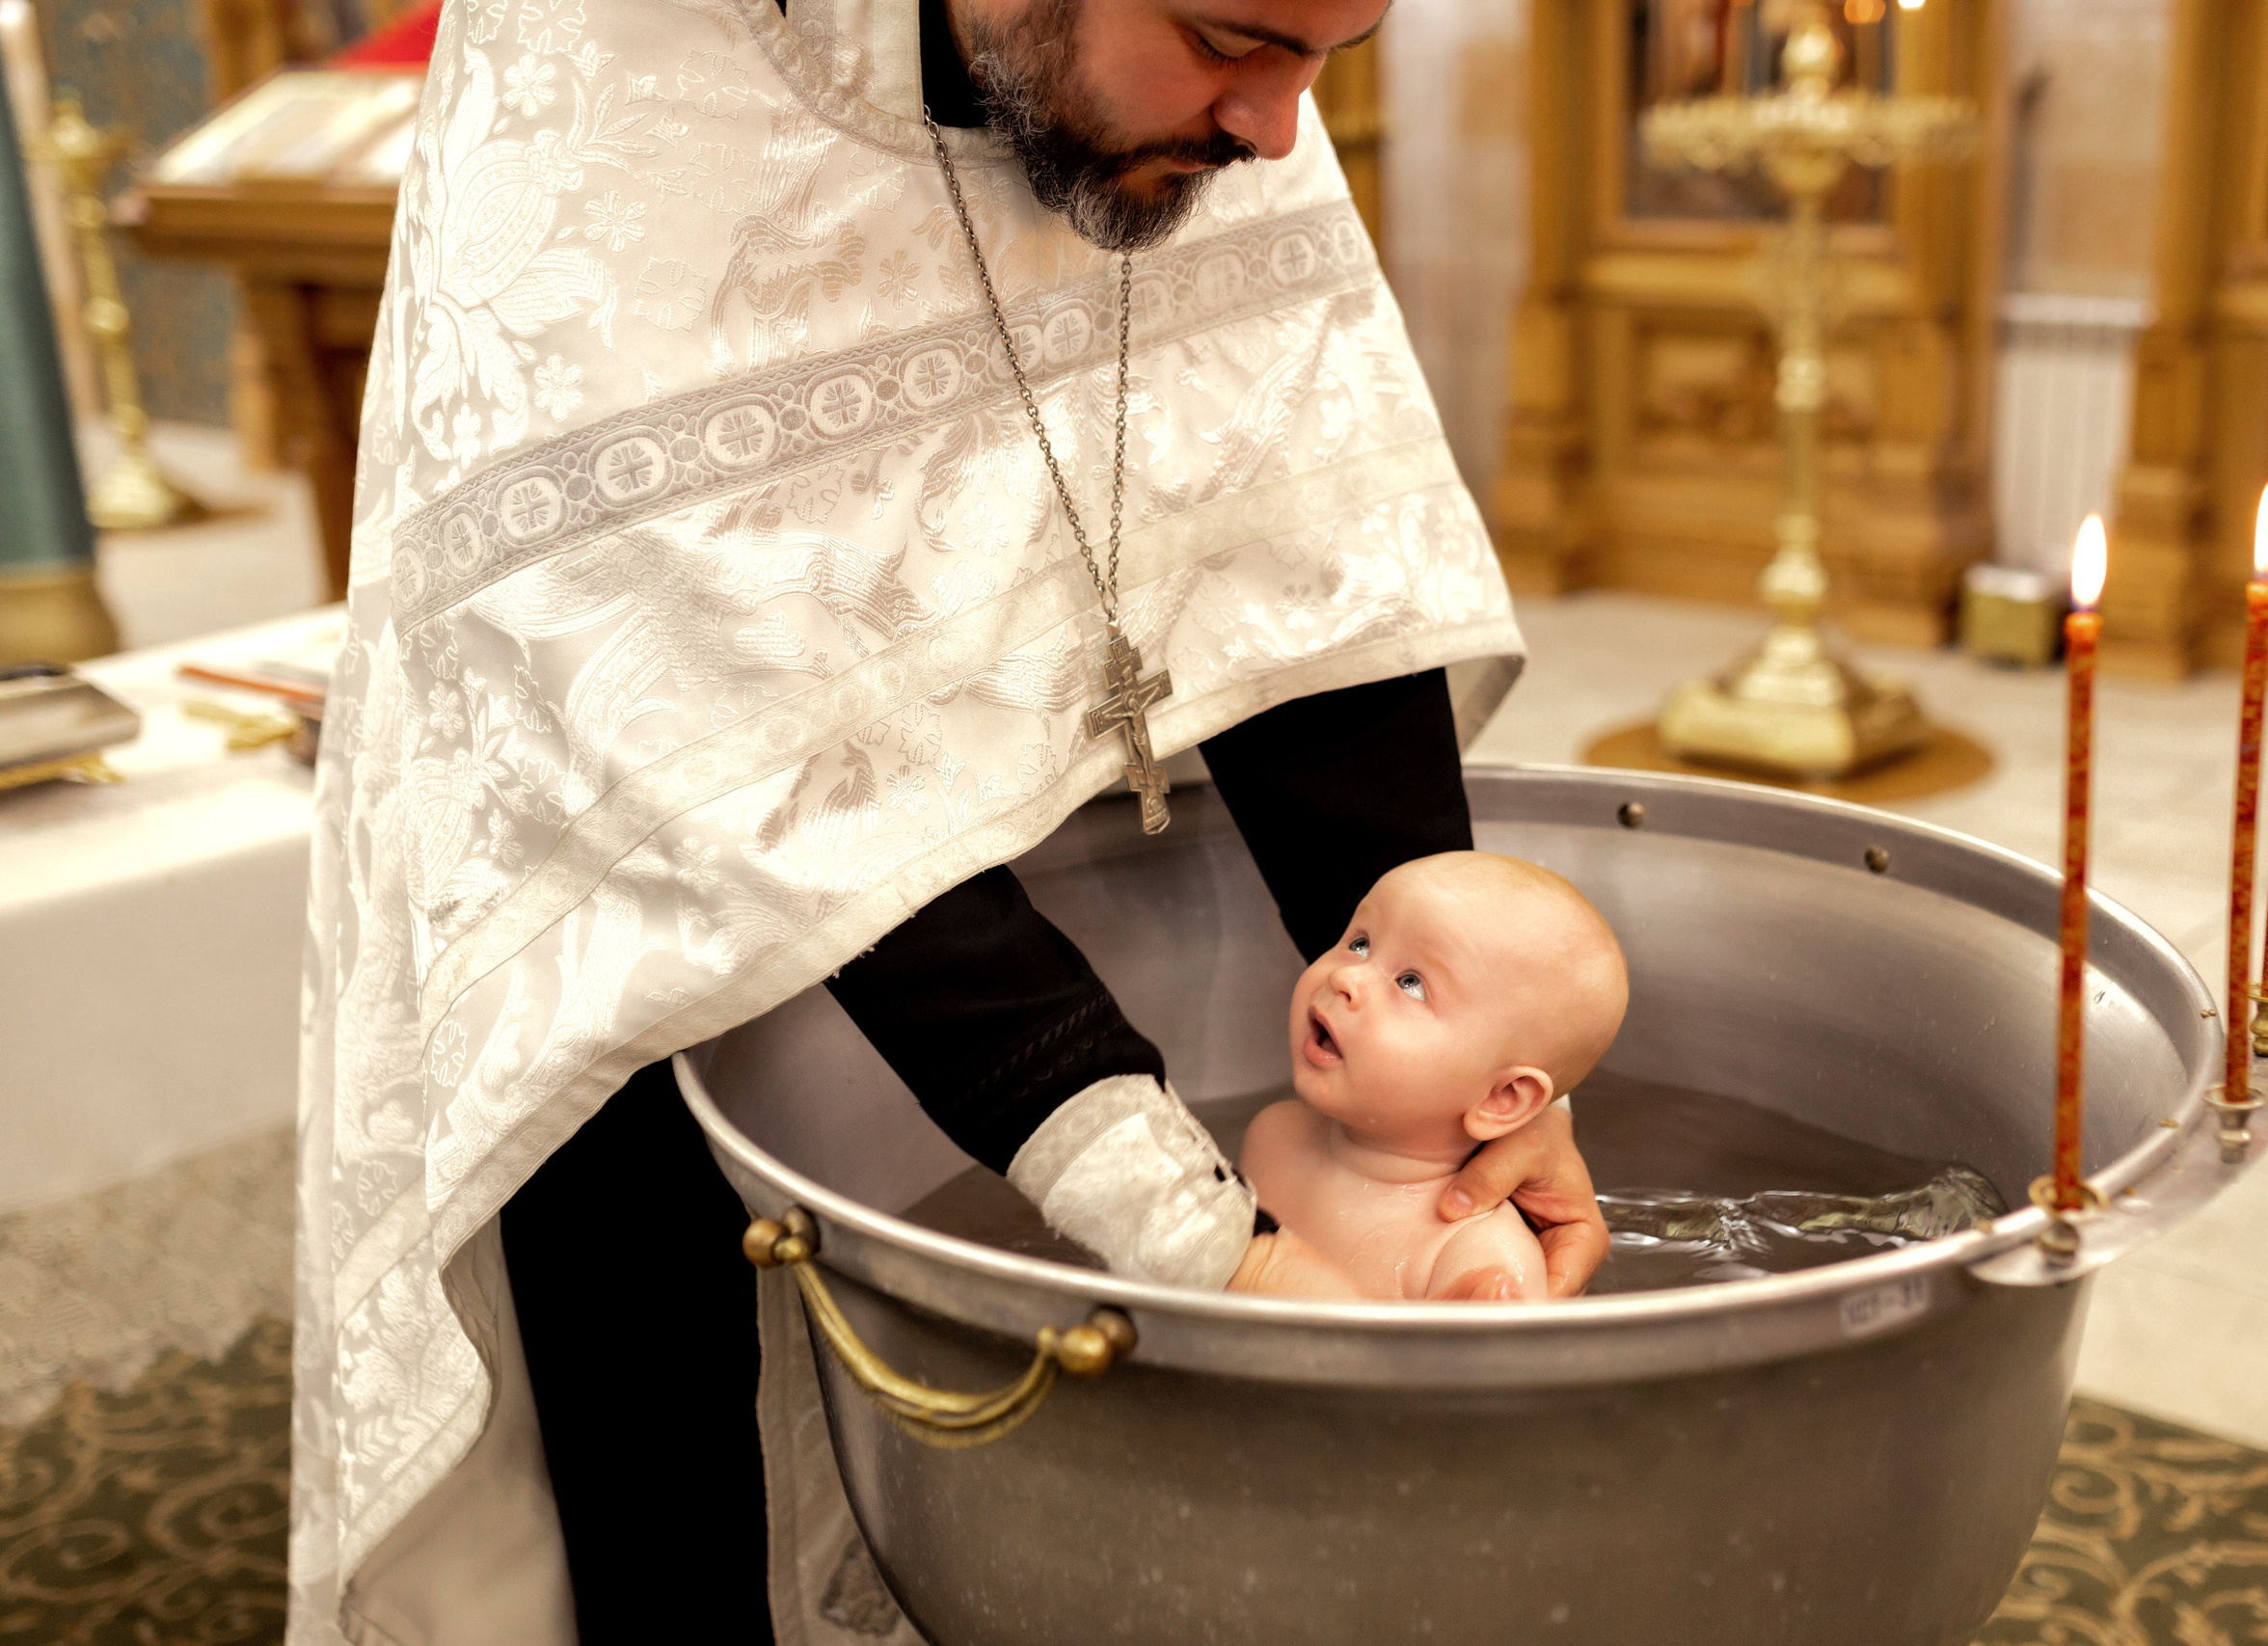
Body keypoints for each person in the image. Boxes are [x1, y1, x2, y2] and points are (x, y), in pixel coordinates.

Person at [288, 0, 1609, 1636]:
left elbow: (1288, 489)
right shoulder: (615, 58)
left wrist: (1465, 1037)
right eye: (1234, 40)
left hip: (1029, 885)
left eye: (1327, 56)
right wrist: (1200, 1244)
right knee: (675, 1487)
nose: (1276, 132)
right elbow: (706, 717)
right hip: (644, 899)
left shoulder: (1205, 82)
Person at [1234, 852, 1629, 1302]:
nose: (1347, 975)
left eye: (1411, 983)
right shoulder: (1274, 1133)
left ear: (1501, 1098)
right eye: (1360, 942)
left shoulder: (1473, 1257)